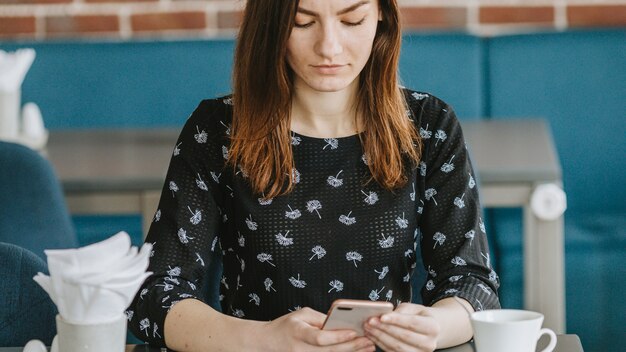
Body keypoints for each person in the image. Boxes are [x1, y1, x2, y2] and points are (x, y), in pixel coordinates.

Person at [127, 0, 500, 351]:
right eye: (302, 22)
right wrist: (264, 340)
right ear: (272, 23)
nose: (329, 47)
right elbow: (153, 296)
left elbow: (472, 285)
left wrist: (437, 325)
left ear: (382, 16)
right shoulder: (217, 130)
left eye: (352, 20)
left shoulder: (428, 126)